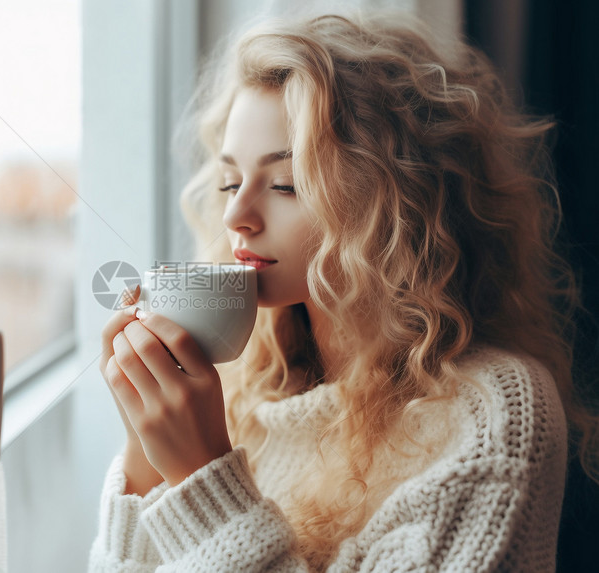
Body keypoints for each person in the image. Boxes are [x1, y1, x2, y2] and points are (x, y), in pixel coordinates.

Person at [88, 11, 599, 572]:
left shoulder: (492, 417)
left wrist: (202, 477)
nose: (236, 213)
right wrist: (147, 461)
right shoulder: (238, 394)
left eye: (288, 184)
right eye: (231, 181)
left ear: (396, 203)